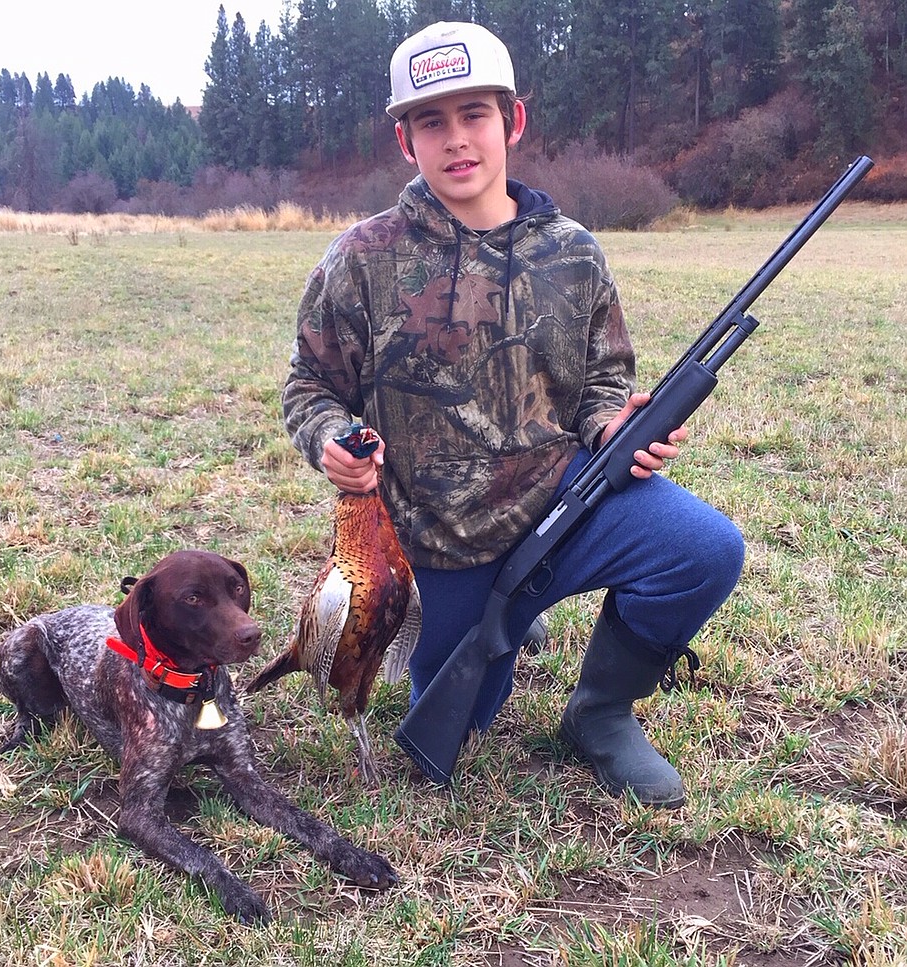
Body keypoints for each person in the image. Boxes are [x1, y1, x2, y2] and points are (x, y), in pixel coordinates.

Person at [282, 21, 744, 808]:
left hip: (563, 505)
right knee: (459, 724)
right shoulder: (361, 258)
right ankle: (496, 617)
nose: (457, 140)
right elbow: (309, 388)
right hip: (437, 538)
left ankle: (599, 712)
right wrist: (332, 441)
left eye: (475, 115)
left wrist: (613, 427)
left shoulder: (573, 252)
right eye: (432, 121)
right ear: (406, 140)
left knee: (704, 549)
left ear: (513, 122)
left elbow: (603, 381)